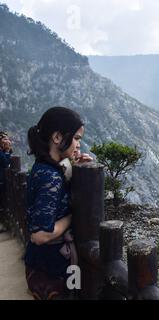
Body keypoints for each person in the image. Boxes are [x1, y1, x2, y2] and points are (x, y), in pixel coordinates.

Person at [25, 106, 92, 300]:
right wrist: (72, 216)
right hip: (50, 267)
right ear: (57, 138)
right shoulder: (50, 177)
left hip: (42, 264)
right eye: (77, 138)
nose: (79, 145)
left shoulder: (44, 168)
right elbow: (40, 235)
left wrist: (77, 170)